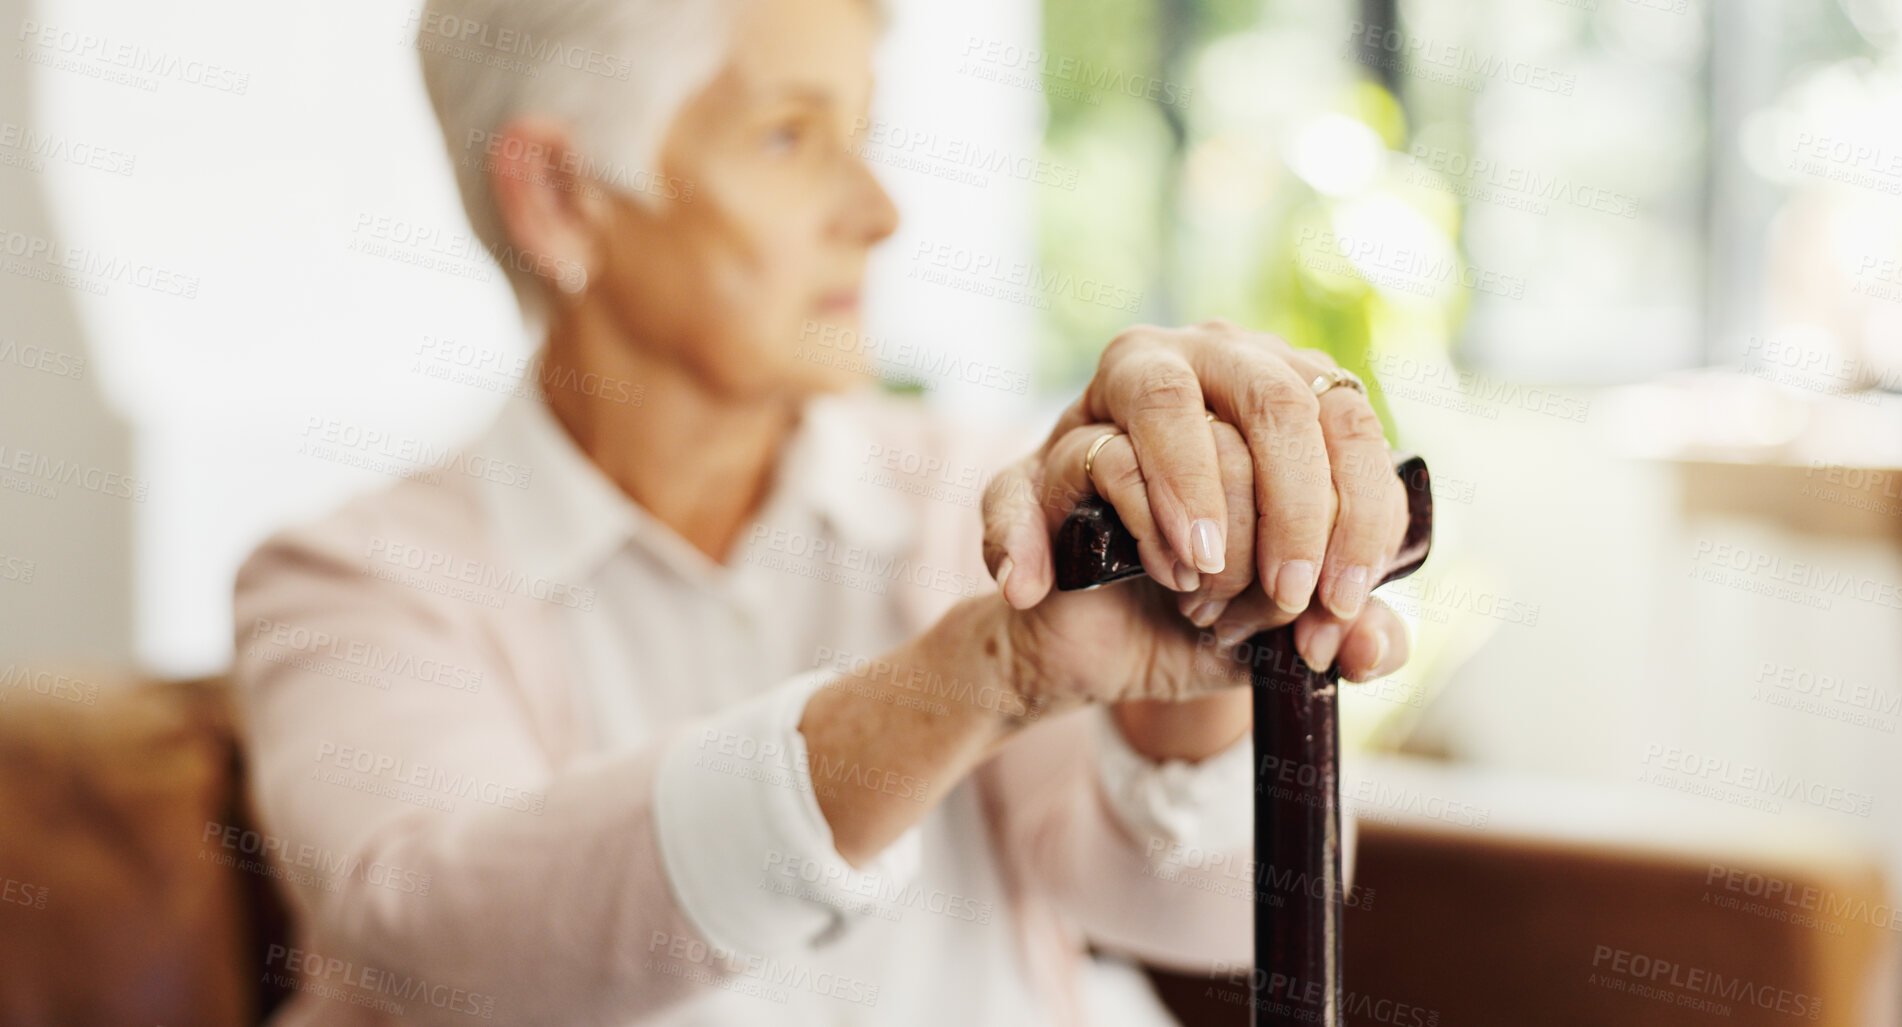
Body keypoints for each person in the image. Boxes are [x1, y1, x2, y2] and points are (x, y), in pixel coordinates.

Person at [231, 0, 1414, 1023]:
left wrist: (1207, 643)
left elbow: (1210, 913)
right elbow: (450, 942)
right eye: (789, 136)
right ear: (559, 195)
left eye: (862, 133)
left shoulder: (984, 499)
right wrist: (977, 675)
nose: (879, 210)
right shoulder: (353, 581)